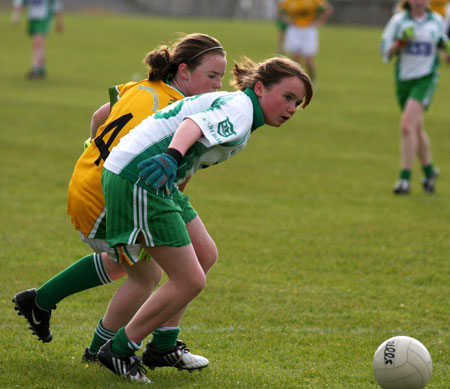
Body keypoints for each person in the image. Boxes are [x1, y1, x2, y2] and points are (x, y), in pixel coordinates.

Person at [13, 33, 227, 371]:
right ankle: (102, 349)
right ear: (184, 71)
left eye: (221, 77)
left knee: (197, 255)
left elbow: (99, 117)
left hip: (90, 178)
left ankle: (42, 302)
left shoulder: (141, 87)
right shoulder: (176, 111)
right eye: (212, 76)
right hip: (106, 194)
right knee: (147, 274)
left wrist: (95, 148)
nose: (218, 85)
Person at [95, 56, 313, 383]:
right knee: (190, 280)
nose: (292, 108)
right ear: (259, 88)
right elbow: (191, 127)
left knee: (204, 254)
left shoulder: (241, 108)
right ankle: (120, 349)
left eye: (297, 103)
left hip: (155, 178)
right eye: (287, 97)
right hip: (141, 176)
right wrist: (171, 157)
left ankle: (163, 345)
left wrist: (174, 170)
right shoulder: (241, 111)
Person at [381, 0, 450, 194]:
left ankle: (404, 179)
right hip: (404, 79)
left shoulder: (436, 20)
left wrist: (447, 48)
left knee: (406, 125)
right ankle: (429, 171)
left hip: (426, 78)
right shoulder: (398, 21)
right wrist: (400, 42)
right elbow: (385, 51)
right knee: (416, 127)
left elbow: (442, 41)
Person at [278, 0, 333, 83]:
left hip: (309, 30)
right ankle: (296, 81)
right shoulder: (289, 1)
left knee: (308, 60)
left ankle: (312, 80)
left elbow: (327, 9)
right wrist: (288, 20)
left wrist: (319, 21)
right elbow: (281, 11)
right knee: (295, 59)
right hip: (295, 30)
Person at [10, 0, 64, 79]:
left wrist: (59, 22)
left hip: (44, 18)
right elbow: (19, 3)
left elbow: (57, 5)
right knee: (38, 44)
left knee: (37, 42)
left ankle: (35, 68)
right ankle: (42, 68)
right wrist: (16, 16)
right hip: (32, 18)